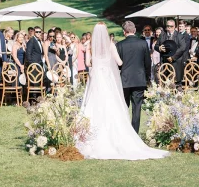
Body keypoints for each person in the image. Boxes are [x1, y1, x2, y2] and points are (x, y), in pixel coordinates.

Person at [77, 22, 169, 160]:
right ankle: (131, 134)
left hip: (104, 80)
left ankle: (96, 137)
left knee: (98, 106)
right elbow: (121, 62)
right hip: (124, 80)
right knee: (124, 107)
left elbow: (89, 63)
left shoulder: (93, 46)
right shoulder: (114, 44)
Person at [153, 18, 187, 83]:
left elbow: (182, 47)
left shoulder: (179, 36)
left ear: (174, 27)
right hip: (164, 61)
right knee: (165, 81)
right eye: (168, 26)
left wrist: (173, 57)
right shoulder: (162, 35)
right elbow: (156, 46)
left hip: (176, 61)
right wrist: (159, 48)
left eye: (171, 26)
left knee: (176, 82)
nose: (169, 28)